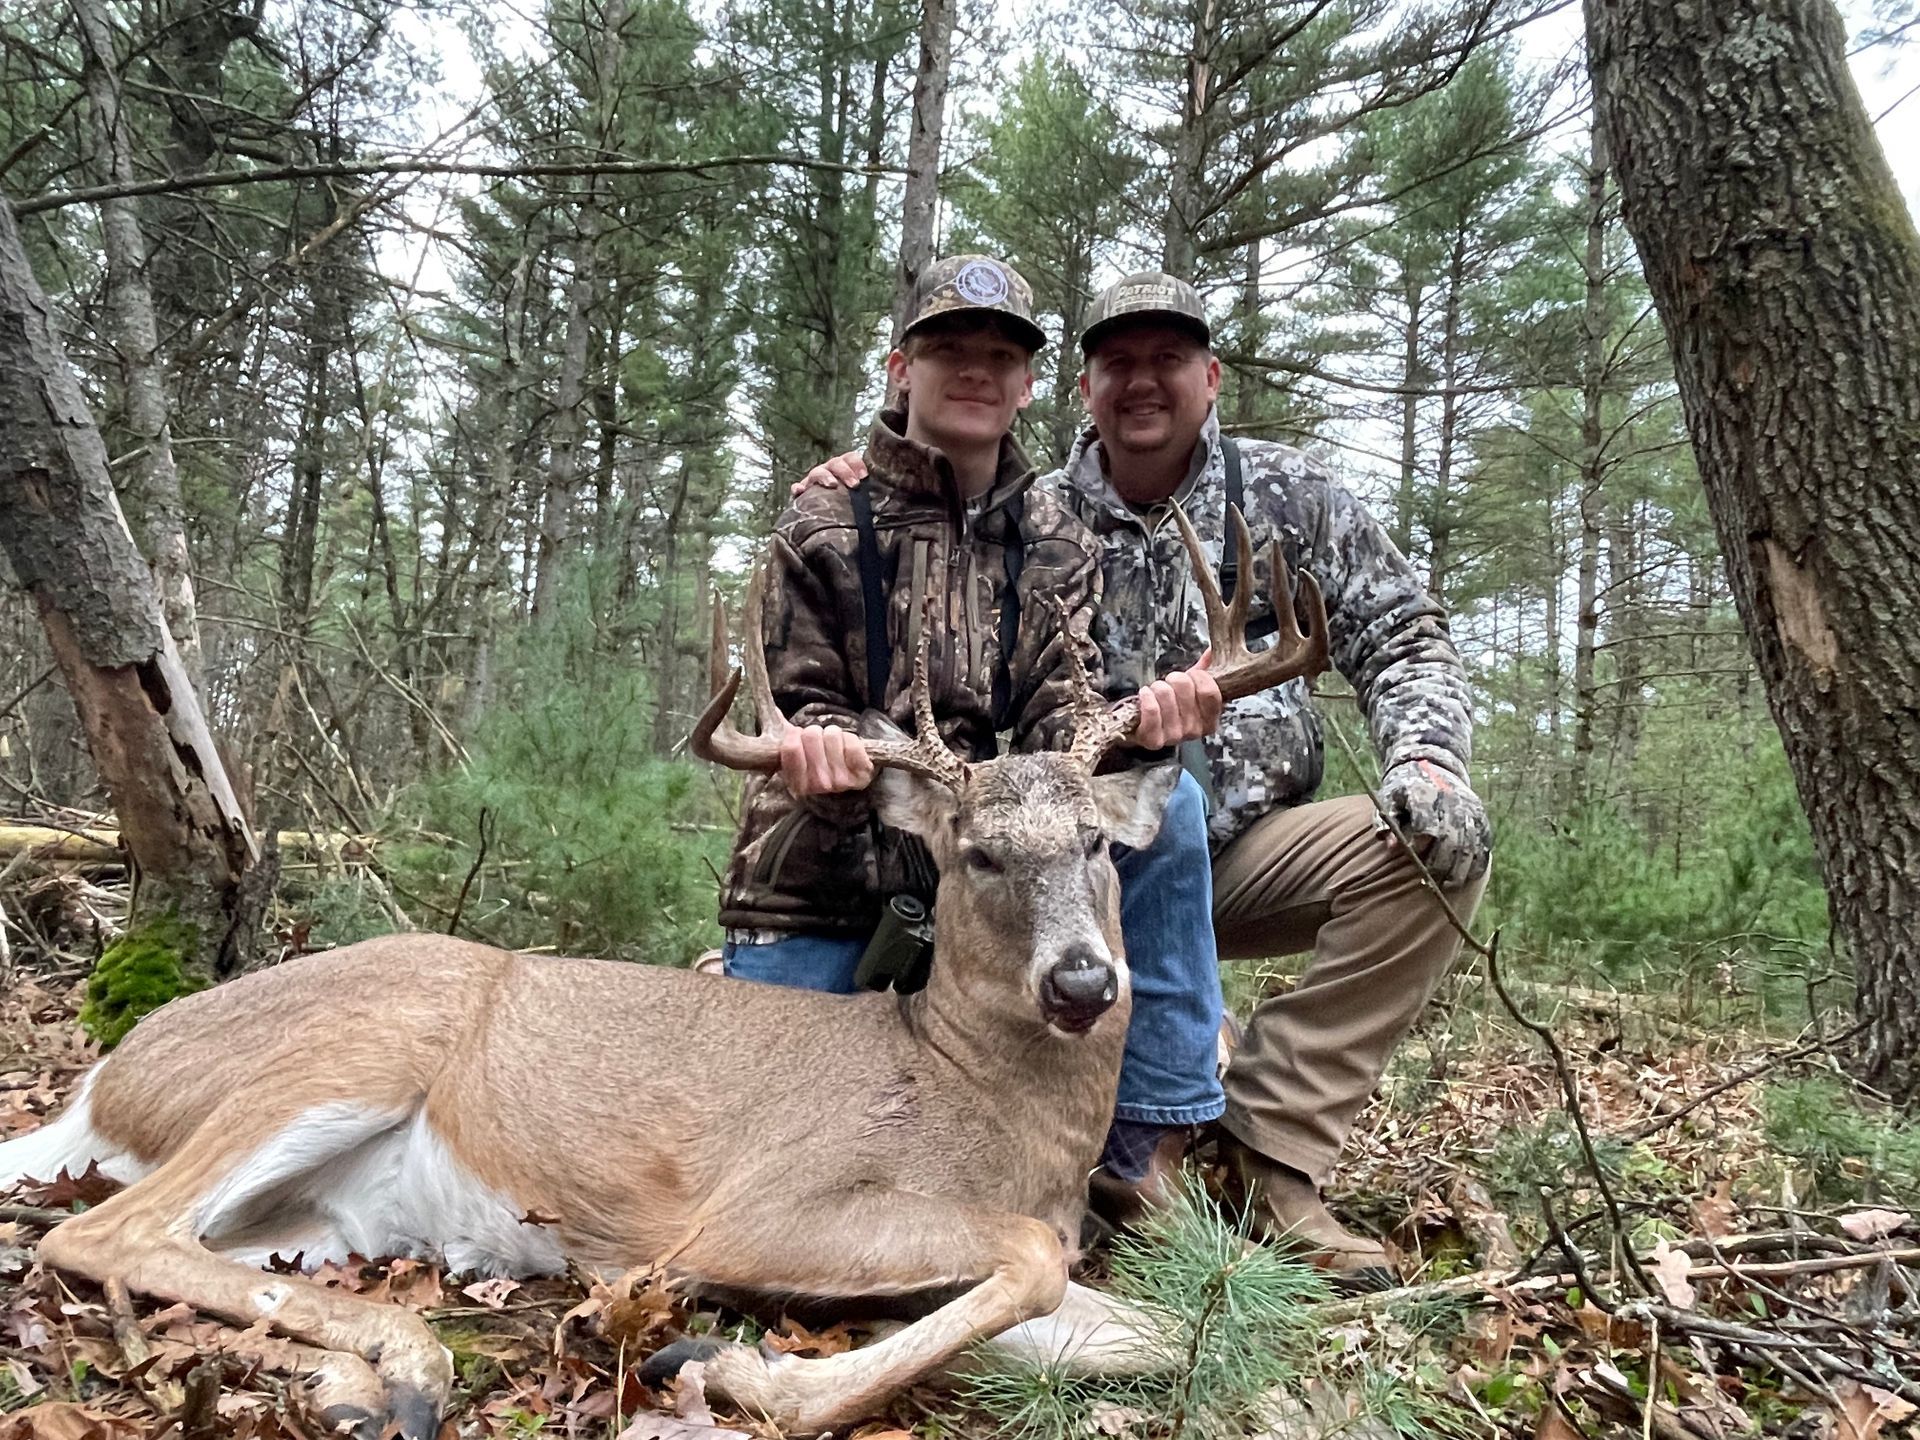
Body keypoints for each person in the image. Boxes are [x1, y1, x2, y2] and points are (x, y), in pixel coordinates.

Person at [801, 272, 1492, 1289]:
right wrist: (864, 469)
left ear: (1211, 378)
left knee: (1433, 851)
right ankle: (1129, 1149)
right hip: (1062, 868)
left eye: (1168, 360)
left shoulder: (1290, 496)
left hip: (1239, 851)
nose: (1142, 382)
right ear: (1081, 389)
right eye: (1117, 362)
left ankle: (1270, 1151)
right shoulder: (1036, 512)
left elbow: (1403, 633)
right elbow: (921, 536)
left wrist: (1426, 760)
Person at [718, 249, 1226, 1184]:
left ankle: (1144, 1145)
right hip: (820, 885)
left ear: (1029, 385)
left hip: (987, 889)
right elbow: (792, 700)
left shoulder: (1055, 538)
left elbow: (1061, 709)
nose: (975, 373)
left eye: (1001, 357)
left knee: (1171, 805)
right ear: (901, 369)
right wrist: (821, 750)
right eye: (949, 350)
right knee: (766, 1154)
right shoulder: (820, 524)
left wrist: (1131, 734)